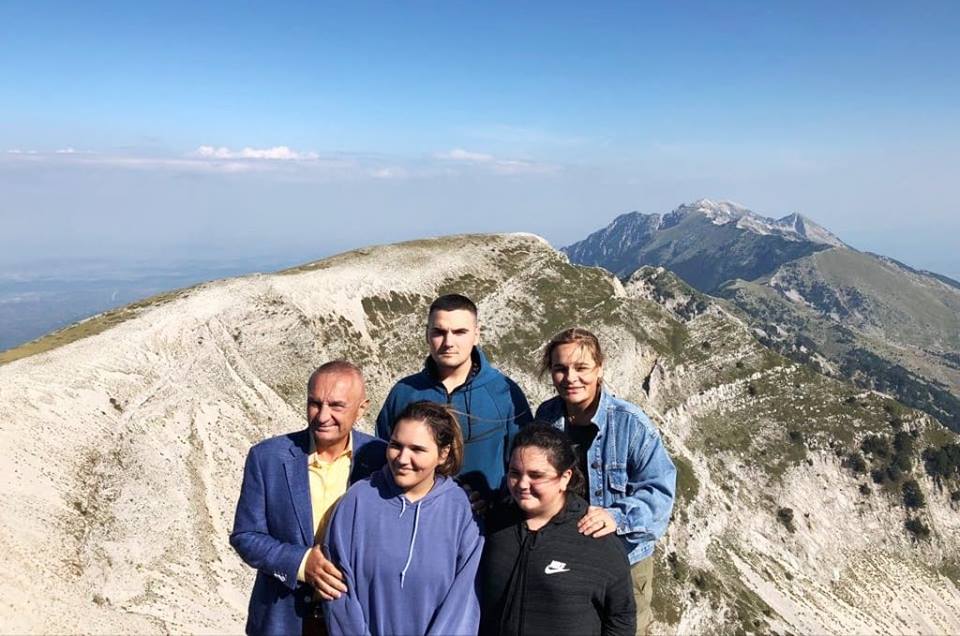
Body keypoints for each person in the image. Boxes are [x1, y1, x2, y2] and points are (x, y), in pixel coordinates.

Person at [534, 328, 676, 635]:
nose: (571, 378)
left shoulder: (631, 424)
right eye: (560, 368)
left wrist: (616, 517)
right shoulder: (546, 418)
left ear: (599, 369)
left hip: (624, 561)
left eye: (581, 368)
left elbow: (660, 493)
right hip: (566, 557)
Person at [230, 361, 387, 636]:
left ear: (362, 408)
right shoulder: (267, 457)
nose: (323, 416)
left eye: (336, 406)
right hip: (282, 620)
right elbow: (246, 535)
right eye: (314, 403)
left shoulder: (382, 459)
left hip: (357, 621)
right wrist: (302, 563)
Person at [323, 401, 484, 636]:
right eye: (396, 445)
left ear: (443, 454)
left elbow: (463, 603)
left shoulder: (462, 511)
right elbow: (336, 589)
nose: (402, 458)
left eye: (417, 450)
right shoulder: (357, 500)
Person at [479, 423, 636, 636]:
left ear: (565, 478)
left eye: (536, 475)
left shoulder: (595, 539)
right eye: (515, 473)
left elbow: (621, 619)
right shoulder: (493, 522)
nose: (522, 484)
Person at [376, 293, 532, 505]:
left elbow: (525, 461)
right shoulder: (404, 392)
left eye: (459, 332)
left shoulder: (504, 393)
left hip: (488, 519)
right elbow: (383, 456)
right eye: (439, 332)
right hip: (413, 514)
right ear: (427, 334)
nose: (448, 342)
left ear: (476, 335)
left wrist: (495, 503)